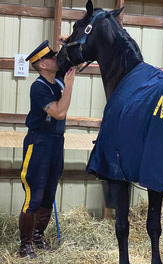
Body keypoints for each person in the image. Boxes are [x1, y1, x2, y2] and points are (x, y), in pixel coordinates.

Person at [19, 40, 75, 258]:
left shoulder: (58, 79)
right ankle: (25, 245)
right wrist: (69, 87)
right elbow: (59, 113)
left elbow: (73, 60)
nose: (55, 58)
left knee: (49, 194)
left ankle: (37, 236)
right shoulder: (39, 87)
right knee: (34, 194)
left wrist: (67, 42)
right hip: (39, 143)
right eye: (50, 57)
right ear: (42, 65)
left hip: (56, 143)